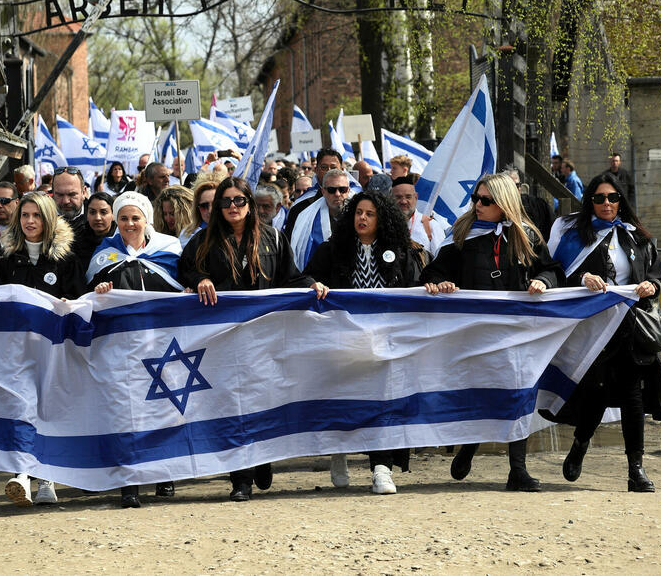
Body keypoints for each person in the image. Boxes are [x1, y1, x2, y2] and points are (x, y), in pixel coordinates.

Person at [179, 176, 329, 501]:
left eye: (239, 201)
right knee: (235, 404)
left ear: (249, 203)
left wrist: (313, 284)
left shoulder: (273, 238)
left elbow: (292, 276)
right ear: (218, 207)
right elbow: (184, 269)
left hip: (266, 337)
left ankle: (263, 458)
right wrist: (201, 278)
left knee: (264, 400)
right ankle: (240, 479)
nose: (233, 207)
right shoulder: (204, 241)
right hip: (225, 340)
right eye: (226, 202)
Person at [420, 173, 563, 492]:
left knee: (519, 392)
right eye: (476, 199)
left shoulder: (526, 235)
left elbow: (551, 269)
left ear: (504, 203)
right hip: (475, 330)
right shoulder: (462, 233)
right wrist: (441, 283)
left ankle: (518, 470)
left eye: (486, 200)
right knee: (483, 392)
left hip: (518, 330)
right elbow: (434, 270)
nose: (478, 205)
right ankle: (470, 447)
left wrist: (544, 282)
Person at [547, 172, 661, 492]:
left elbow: (658, 276)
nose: (607, 204)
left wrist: (652, 286)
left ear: (621, 201)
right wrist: (584, 279)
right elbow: (559, 272)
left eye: (613, 198)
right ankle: (580, 444)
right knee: (597, 393)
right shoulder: (577, 235)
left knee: (632, 397)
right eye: (600, 198)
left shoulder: (637, 237)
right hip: (592, 331)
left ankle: (636, 469)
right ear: (590, 201)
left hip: (630, 328)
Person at [304, 191, 427, 494]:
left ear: (381, 219)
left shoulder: (402, 252)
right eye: (359, 212)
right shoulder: (332, 250)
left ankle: (381, 469)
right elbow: (305, 277)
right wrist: (312, 285)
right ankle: (339, 452)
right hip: (343, 340)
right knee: (345, 399)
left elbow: (415, 289)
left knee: (381, 402)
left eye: (370, 214)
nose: (362, 218)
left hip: (386, 342)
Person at [86, 191, 184, 508]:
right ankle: (130, 483)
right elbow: (88, 294)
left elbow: (179, 286)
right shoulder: (104, 253)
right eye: (124, 218)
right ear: (117, 221)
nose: (130, 223)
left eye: (135, 218)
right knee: (127, 412)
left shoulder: (169, 250)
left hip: (161, 342)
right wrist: (99, 289)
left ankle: (164, 474)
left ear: (146, 220)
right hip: (122, 346)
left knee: (163, 407)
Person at [0, 192, 85, 507]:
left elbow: (78, 299)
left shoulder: (66, 259)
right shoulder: (5, 259)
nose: (30, 221)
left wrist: (67, 304)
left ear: (48, 219)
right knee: (20, 407)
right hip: (17, 348)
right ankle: (20, 474)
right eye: (24, 215)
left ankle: (46, 479)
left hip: (53, 348)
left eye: (36, 215)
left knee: (48, 409)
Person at [287, 168, 353, 270]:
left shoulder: (358, 214)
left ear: (348, 191)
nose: (337, 194)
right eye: (331, 190)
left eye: (342, 189)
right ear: (323, 191)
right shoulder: (306, 217)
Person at [284, 149, 342, 234]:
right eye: (324, 167)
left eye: (333, 168)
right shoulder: (302, 205)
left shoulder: (353, 202)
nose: (329, 171)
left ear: (342, 169)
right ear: (316, 170)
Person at [391, 176, 446, 258]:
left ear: (416, 197)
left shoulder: (431, 226)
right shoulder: (383, 225)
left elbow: (441, 261)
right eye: (398, 197)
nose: (403, 201)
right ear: (390, 198)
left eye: (408, 197)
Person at [502, 166, 554, 240]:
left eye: (517, 185)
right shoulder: (497, 209)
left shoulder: (538, 205)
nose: (515, 189)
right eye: (510, 186)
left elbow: (552, 231)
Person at [73, 191, 116, 268]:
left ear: (113, 215)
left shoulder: (121, 240)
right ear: (87, 215)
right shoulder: (76, 240)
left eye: (103, 212)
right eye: (92, 212)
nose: (97, 218)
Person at [181, 179, 219, 247]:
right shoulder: (187, 235)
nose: (210, 210)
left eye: (215, 204)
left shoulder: (236, 230)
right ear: (197, 208)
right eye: (204, 206)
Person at [52, 166, 88, 236]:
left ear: (83, 192)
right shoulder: (42, 220)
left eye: (72, 194)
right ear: (53, 193)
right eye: (60, 195)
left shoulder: (97, 221)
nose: (66, 201)